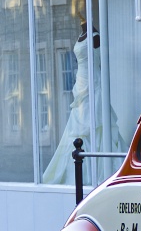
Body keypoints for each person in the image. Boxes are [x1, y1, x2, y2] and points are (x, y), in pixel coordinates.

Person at [41, 22, 125, 185]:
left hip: (92, 84)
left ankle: (99, 173)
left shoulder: (95, 36)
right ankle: (74, 174)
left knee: (96, 124)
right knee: (78, 127)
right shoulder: (82, 35)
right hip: (81, 82)